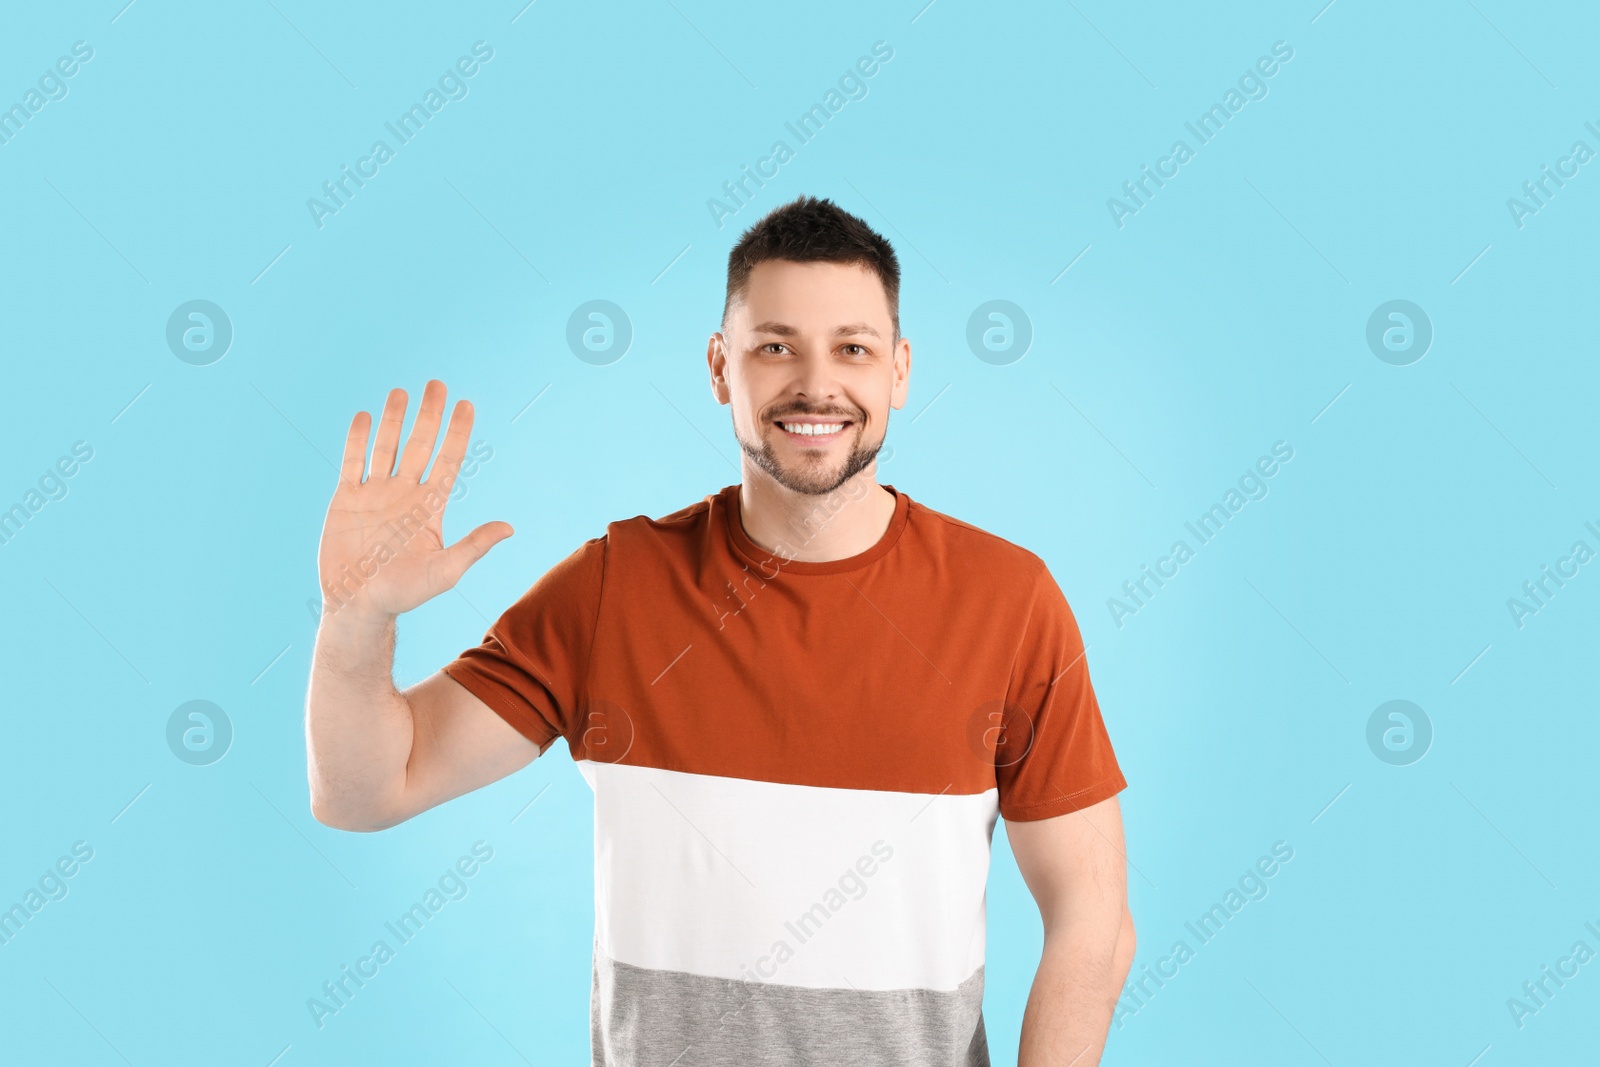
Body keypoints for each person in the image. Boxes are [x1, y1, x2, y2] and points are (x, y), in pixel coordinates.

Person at [305, 195, 1135, 1066]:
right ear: (718, 366)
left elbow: (1093, 921)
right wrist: (354, 616)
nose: (817, 384)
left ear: (898, 370)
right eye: (775, 346)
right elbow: (366, 790)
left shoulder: (1009, 601)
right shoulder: (612, 588)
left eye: (853, 347)